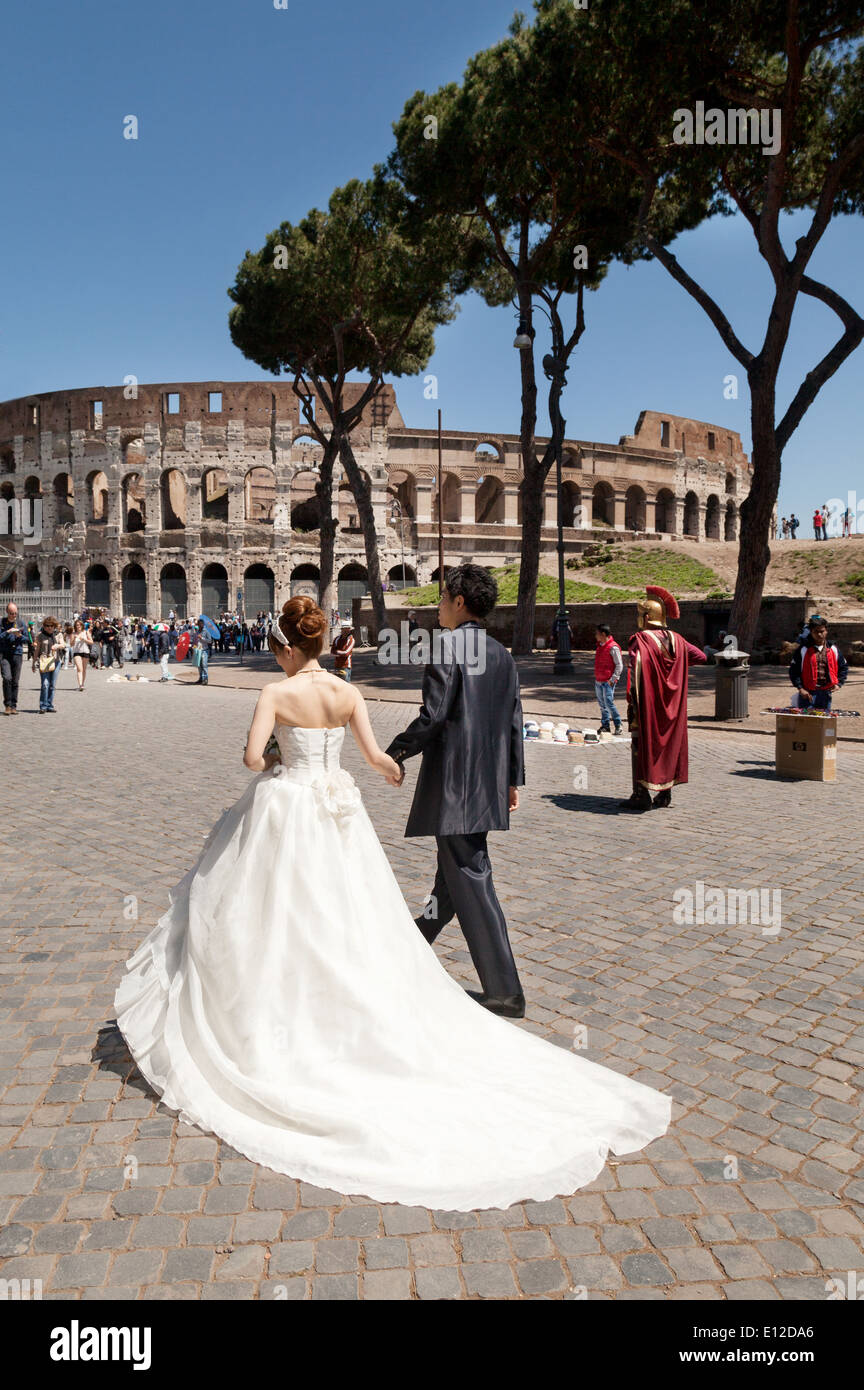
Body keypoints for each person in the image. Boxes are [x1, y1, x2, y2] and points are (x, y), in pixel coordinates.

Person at [114, 592, 670, 1211]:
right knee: (359, 898)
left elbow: (256, 757)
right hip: (357, 802)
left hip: (310, 800)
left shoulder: (280, 692)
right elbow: (422, 742)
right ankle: (412, 954)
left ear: (287, 647)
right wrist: (401, 766)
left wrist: (282, 756)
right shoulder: (373, 686)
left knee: (293, 901)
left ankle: (493, 984)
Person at [385, 562, 526, 1017]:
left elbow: (434, 716)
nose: (439, 607)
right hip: (484, 786)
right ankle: (410, 948)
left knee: (470, 877)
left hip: (456, 789)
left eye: (443, 598)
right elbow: (513, 723)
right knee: (449, 884)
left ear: (459, 602)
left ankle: (505, 990)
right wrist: (510, 780)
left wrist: (396, 753)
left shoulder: (447, 647)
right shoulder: (502, 654)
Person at [621, 585, 708, 812]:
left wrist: (633, 700)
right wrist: (677, 669)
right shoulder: (678, 639)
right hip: (673, 706)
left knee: (641, 745)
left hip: (648, 704)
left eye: (641, 614)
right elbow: (701, 656)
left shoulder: (640, 640)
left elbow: (635, 671)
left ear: (647, 617)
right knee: (668, 746)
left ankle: (640, 795)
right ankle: (664, 794)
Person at [789, 614, 848, 712]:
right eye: (816, 632)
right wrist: (800, 688)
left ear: (826, 631)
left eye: (822, 631)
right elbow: (794, 671)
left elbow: (844, 667)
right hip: (807, 693)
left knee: (823, 724)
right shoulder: (803, 650)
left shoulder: (833, 649)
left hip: (826, 693)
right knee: (805, 723)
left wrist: (839, 684)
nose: (819, 634)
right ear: (811, 632)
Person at [594, 623, 623, 735]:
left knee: (609, 703)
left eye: (597, 634)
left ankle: (618, 724)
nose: (595, 636)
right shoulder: (600, 646)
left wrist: (613, 679)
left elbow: (619, 665)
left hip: (608, 681)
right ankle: (605, 725)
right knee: (602, 705)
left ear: (603, 634)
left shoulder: (613, 647)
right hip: (599, 681)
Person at [32, 616, 66, 713]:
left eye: (51, 626)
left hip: (56, 662)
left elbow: (64, 644)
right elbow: (37, 650)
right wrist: (33, 663)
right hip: (44, 662)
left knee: (52, 684)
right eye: (47, 625)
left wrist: (57, 645)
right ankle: (43, 706)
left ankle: (49, 705)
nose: (49, 627)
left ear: (54, 626)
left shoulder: (58, 635)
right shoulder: (40, 636)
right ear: (44, 626)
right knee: (45, 684)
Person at [1, 602, 29, 715]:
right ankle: (7, 704)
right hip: (4, 654)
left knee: (15, 681)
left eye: (15, 613)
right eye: (11, 613)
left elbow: (27, 639)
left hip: (17, 654)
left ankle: (13, 705)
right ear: (7, 612)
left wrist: (20, 636)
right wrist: (7, 633)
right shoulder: (2, 622)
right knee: (7, 678)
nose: (14, 615)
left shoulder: (21, 623)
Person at [70, 619, 93, 691]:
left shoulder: (86, 632)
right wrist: (74, 639)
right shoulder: (73, 634)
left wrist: (84, 639)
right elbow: (71, 644)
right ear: (75, 626)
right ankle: (80, 684)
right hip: (77, 652)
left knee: (84, 669)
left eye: (79, 625)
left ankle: (82, 684)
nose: (78, 626)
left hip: (85, 651)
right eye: (77, 625)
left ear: (82, 625)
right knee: (79, 669)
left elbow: (91, 642)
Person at [194, 619, 212, 685]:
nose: (199, 626)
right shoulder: (197, 631)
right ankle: (201, 678)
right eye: (198, 624)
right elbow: (195, 640)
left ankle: (205, 679)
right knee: (199, 665)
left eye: (201, 624)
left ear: (203, 624)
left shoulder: (206, 631)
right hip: (198, 650)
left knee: (204, 665)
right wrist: (194, 647)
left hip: (204, 650)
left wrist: (202, 638)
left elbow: (210, 641)